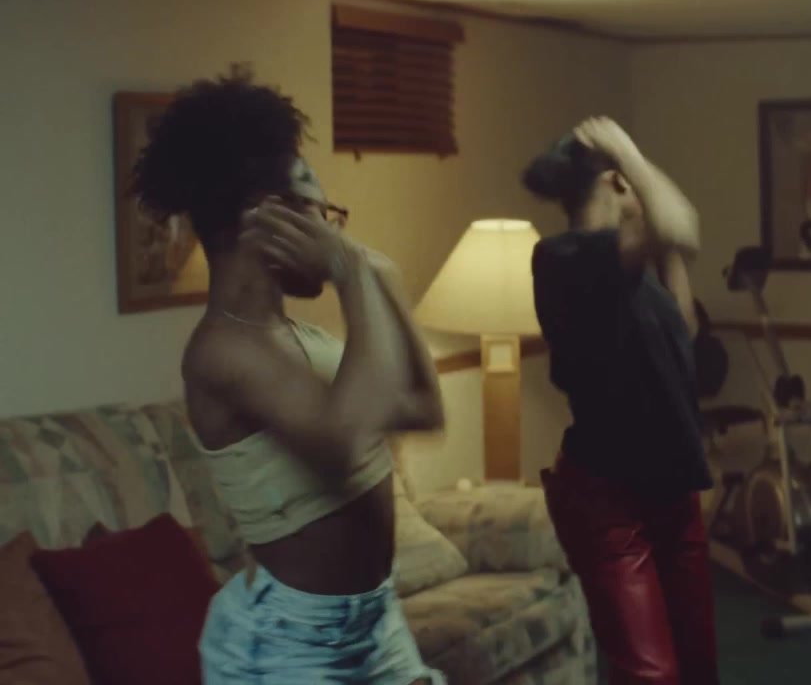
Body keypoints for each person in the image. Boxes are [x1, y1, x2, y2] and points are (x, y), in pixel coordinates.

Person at [131, 69, 446, 684]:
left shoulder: (306, 338)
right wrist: (351, 275)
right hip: (287, 645)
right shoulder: (221, 351)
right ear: (268, 218)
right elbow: (343, 441)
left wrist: (379, 272)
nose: (335, 233)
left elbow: (424, 406)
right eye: (324, 214)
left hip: (374, 623)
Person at [524, 116, 720, 685]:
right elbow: (683, 224)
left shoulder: (634, 271)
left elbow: (684, 333)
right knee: (649, 673)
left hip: (672, 489)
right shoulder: (564, 258)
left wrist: (667, 251)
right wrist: (627, 150)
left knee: (697, 666)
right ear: (616, 181)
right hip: (609, 501)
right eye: (634, 178)